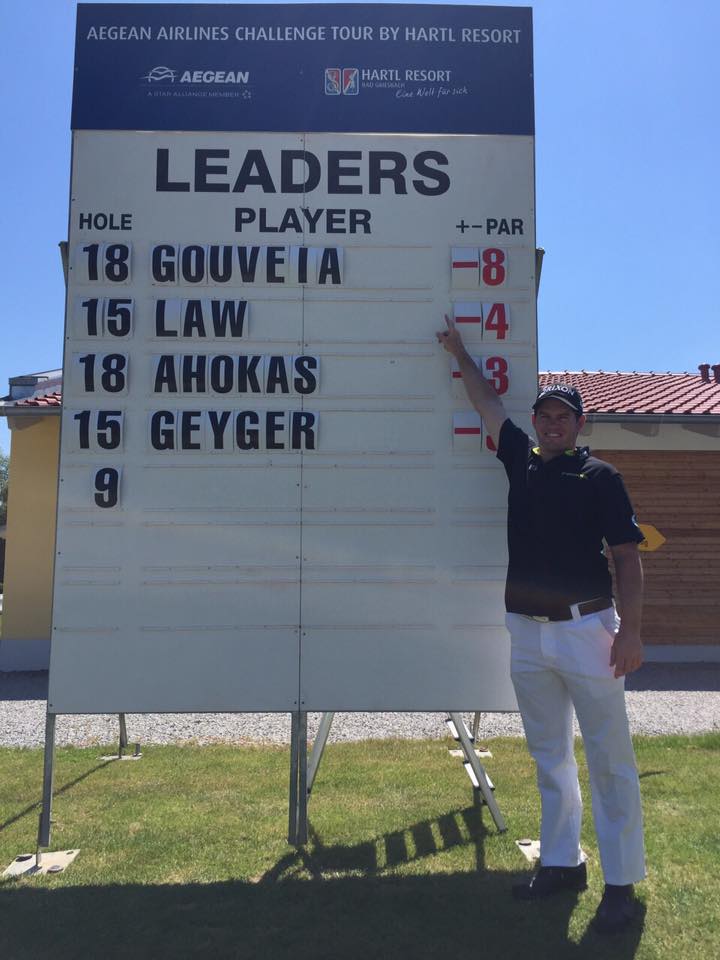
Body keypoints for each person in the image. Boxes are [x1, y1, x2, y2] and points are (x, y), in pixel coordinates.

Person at [437, 315, 646, 935]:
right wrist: (459, 352)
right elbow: (486, 403)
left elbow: (627, 557)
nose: (553, 424)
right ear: (535, 422)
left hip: (589, 631)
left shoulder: (601, 477)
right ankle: (561, 862)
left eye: (564, 417)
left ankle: (621, 884)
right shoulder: (520, 461)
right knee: (549, 755)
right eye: (545, 416)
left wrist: (631, 632)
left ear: (580, 425)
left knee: (609, 759)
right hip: (526, 632)